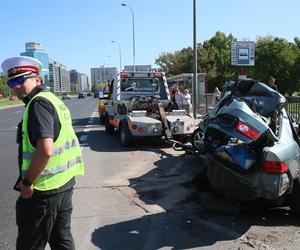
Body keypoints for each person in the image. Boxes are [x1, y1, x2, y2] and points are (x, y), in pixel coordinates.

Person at [1, 56, 84, 250]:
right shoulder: (53, 99)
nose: (15, 86)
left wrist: (28, 182)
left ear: (37, 79)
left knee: (29, 244)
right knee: (61, 240)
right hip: (63, 184)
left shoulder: (38, 104)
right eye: (12, 82)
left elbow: (45, 150)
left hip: (42, 191)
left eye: (21, 80)